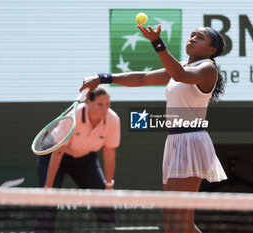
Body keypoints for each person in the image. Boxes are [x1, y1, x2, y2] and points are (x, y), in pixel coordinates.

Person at [80, 24, 227, 233]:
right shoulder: (181, 66)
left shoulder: (208, 68)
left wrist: (157, 42)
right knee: (177, 222)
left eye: (200, 38)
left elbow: (180, 75)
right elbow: (142, 78)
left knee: (176, 220)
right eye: (192, 35)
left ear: (212, 50)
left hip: (191, 141)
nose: (193, 39)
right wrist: (104, 78)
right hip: (175, 141)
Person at [36, 86, 120, 232]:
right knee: (48, 201)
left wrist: (108, 185)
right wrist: (48, 186)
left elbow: (109, 153)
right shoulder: (72, 117)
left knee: (106, 203)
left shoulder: (113, 120)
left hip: (86, 159)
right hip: (56, 156)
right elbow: (58, 152)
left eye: (108, 104)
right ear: (88, 102)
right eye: (100, 104)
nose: (105, 109)